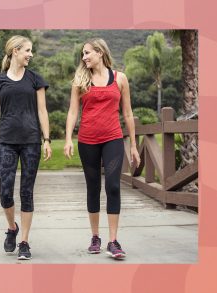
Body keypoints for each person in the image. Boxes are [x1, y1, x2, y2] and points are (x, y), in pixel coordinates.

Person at [0, 35, 52, 260]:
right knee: (5, 192)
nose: (31, 54)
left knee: (26, 192)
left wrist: (47, 139)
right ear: (15, 51)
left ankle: (25, 242)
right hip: (7, 141)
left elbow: (42, 111)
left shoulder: (35, 79)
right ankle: (12, 228)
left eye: (31, 50)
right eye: (27, 50)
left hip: (31, 142)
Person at [64, 38, 140, 259]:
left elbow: (127, 114)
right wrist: (68, 138)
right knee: (93, 187)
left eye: (87, 53)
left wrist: (134, 146)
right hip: (87, 141)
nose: (84, 57)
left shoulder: (120, 79)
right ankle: (95, 237)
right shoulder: (80, 80)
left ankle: (113, 241)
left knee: (114, 187)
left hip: (113, 139)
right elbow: (72, 112)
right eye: (82, 54)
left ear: (99, 52)